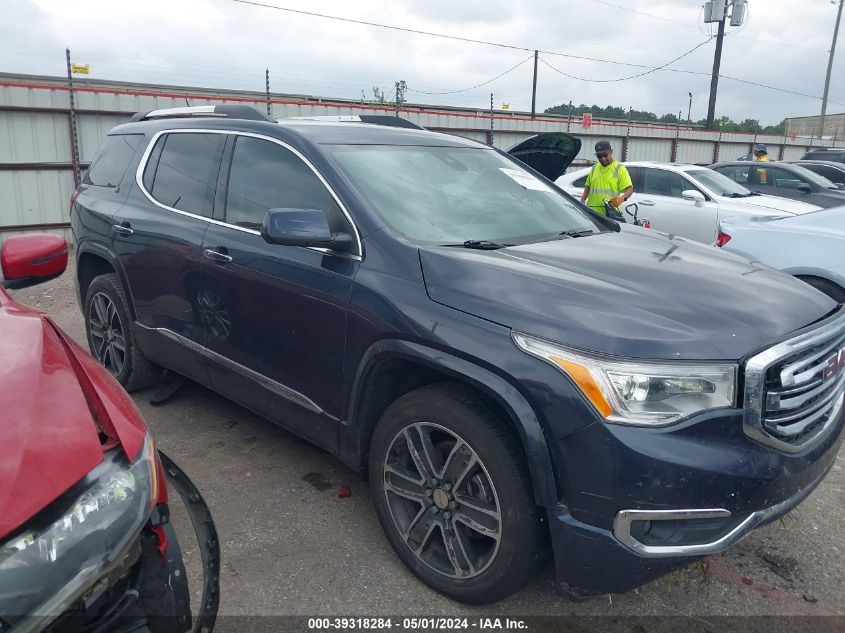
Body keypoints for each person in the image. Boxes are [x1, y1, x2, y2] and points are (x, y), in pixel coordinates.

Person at [580, 140, 633, 216]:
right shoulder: (595, 167)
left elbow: (629, 189)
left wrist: (621, 198)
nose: (603, 158)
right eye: (599, 156)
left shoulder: (619, 169)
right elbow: (588, 186)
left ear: (611, 152)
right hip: (592, 212)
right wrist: (582, 200)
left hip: (609, 214)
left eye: (605, 155)